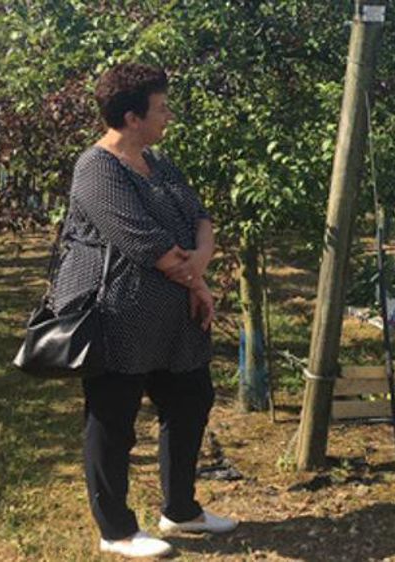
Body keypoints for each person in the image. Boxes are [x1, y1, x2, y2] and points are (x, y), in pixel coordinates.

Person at [51, 62, 237, 558]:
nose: (168, 115)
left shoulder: (158, 162)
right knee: (113, 419)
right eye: (161, 108)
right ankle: (116, 530)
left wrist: (198, 267)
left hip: (175, 318)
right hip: (118, 316)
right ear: (132, 117)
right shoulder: (95, 167)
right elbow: (144, 243)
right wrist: (199, 281)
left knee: (191, 401)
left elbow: (200, 216)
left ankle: (180, 509)